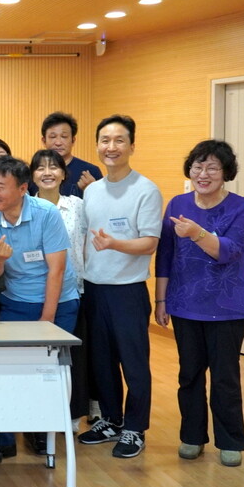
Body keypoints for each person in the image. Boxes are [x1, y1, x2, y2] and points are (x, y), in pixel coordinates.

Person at [155, 140, 244, 467]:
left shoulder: (243, 207)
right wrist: (160, 298)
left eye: (212, 167)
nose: (203, 173)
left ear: (226, 172)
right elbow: (166, 255)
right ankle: (192, 436)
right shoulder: (177, 204)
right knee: (190, 374)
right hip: (185, 304)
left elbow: (229, 250)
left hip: (227, 306)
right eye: (198, 166)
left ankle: (231, 441)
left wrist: (198, 233)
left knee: (225, 376)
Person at [0, 155, 80, 458]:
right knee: (9, 370)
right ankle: (5, 440)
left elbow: (57, 270)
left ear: (23, 188)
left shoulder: (46, 213)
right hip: (16, 301)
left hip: (58, 302)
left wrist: (46, 323)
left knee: (46, 369)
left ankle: (41, 433)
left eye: (1, 186)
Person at [78, 115, 162, 459]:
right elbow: (84, 237)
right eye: (104, 140)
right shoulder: (92, 190)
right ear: (97, 145)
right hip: (94, 288)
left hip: (127, 290)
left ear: (131, 146)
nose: (110, 147)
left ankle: (135, 428)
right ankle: (111, 420)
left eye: (118, 141)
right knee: (101, 362)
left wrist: (114, 244)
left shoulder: (146, 189)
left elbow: (149, 243)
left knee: (134, 363)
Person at [30, 149, 92, 431]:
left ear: (63, 174)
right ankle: (36, 417)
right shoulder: (27, 207)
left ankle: (71, 415)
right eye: (40, 168)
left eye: (53, 167)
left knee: (71, 357)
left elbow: (86, 243)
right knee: (38, 358)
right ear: (31, 176)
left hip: (73, 292)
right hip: (34, 293)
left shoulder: (77, 206)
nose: (47, 172)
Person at [38, 111, 103, 197]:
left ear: (73, 140)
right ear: (44, 141)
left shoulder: (90, 172)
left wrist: (93, 190)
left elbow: (104, 206)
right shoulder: (35, 173)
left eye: (64, 137)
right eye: (53, 137)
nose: (58, 142)